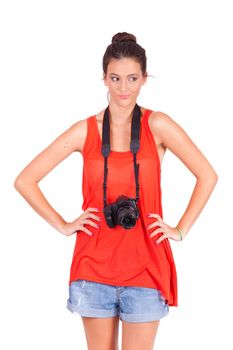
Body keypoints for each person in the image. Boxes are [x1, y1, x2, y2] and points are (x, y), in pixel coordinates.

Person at [14, 31, 218, 350]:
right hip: (93, 265)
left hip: (147, 265)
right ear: (104, 79)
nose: (124, 88)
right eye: (116, 78)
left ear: (144, 79)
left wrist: (179, 229)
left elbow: (207, 175)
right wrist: (65, 225)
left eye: (132, 78)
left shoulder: (157, 125)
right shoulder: (85, 130)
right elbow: (25, 180)